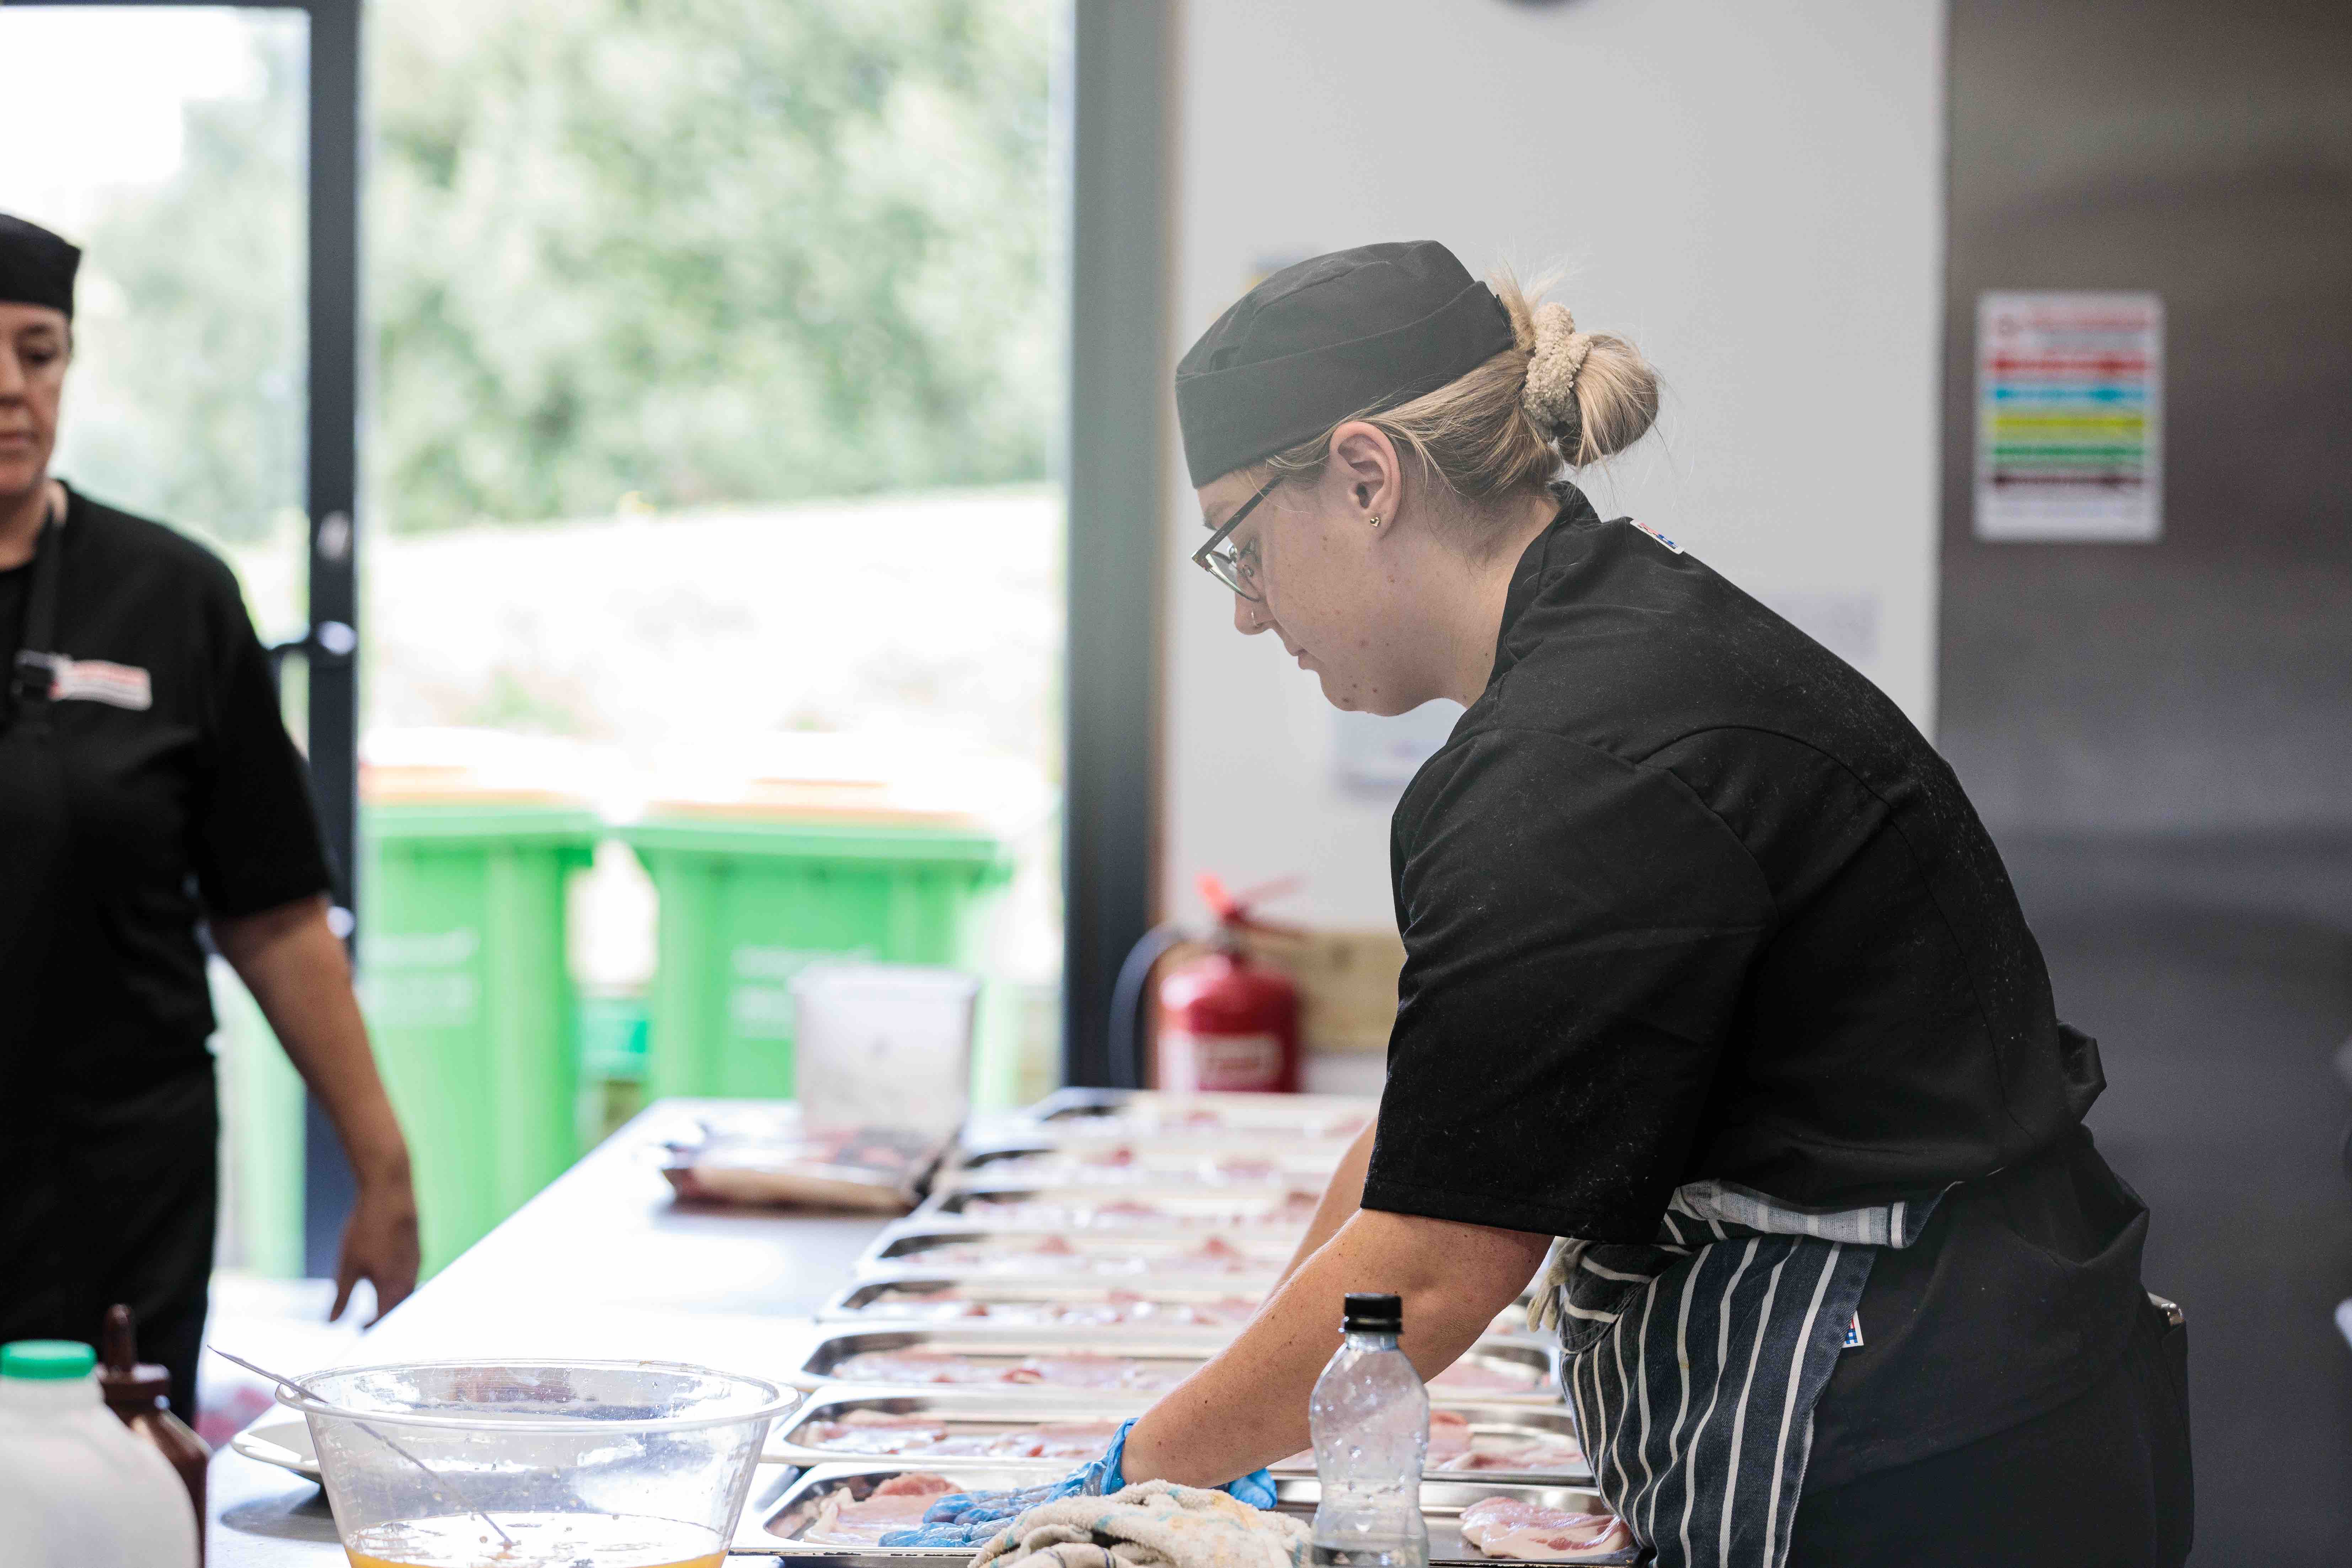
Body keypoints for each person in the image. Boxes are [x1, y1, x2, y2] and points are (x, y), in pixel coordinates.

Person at [907, 242, 2192, 1568]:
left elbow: (1439, 1261)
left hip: (1925, 1451)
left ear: (1365, 477)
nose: (1248, 615)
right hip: (1969, 1378)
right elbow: (1433, 1146)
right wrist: (1240, 1418)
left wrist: (1142, 1468)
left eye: (1240, 548)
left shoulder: (1573, 762)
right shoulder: (1606, 648)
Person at [0, 212, 420, 1422]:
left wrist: (379, 1161)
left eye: (40, 352)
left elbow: (277, 916)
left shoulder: (171, 598)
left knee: (115, 1514)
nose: (10, 390)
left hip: (114, 1199)